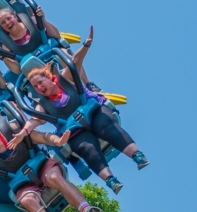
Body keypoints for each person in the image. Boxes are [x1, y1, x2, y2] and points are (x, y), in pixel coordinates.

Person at [25, 27, 148, 194]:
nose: (39, 87)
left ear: (49, 78)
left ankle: (137, 156)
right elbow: (36, 120)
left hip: (93, 110)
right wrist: (23, 131)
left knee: (106, 126)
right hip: (76, 130)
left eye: (41, 82)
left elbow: (75, 61)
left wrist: (86, 45)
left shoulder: (64, 77)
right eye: (36, 87)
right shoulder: (41, 104)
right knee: (86, 147)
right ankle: (111, 180)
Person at [0, 5, 63, 72]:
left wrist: (42, 19)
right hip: (36, 71)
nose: (7, 23)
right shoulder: (7, 45)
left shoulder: (33, 22)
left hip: (52, 55)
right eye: (3, 22)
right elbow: (17, 70)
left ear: (15, 16)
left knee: (63, 52)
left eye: (9, 18)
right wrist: (3, 57)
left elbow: (56, 35)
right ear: (1, 26)